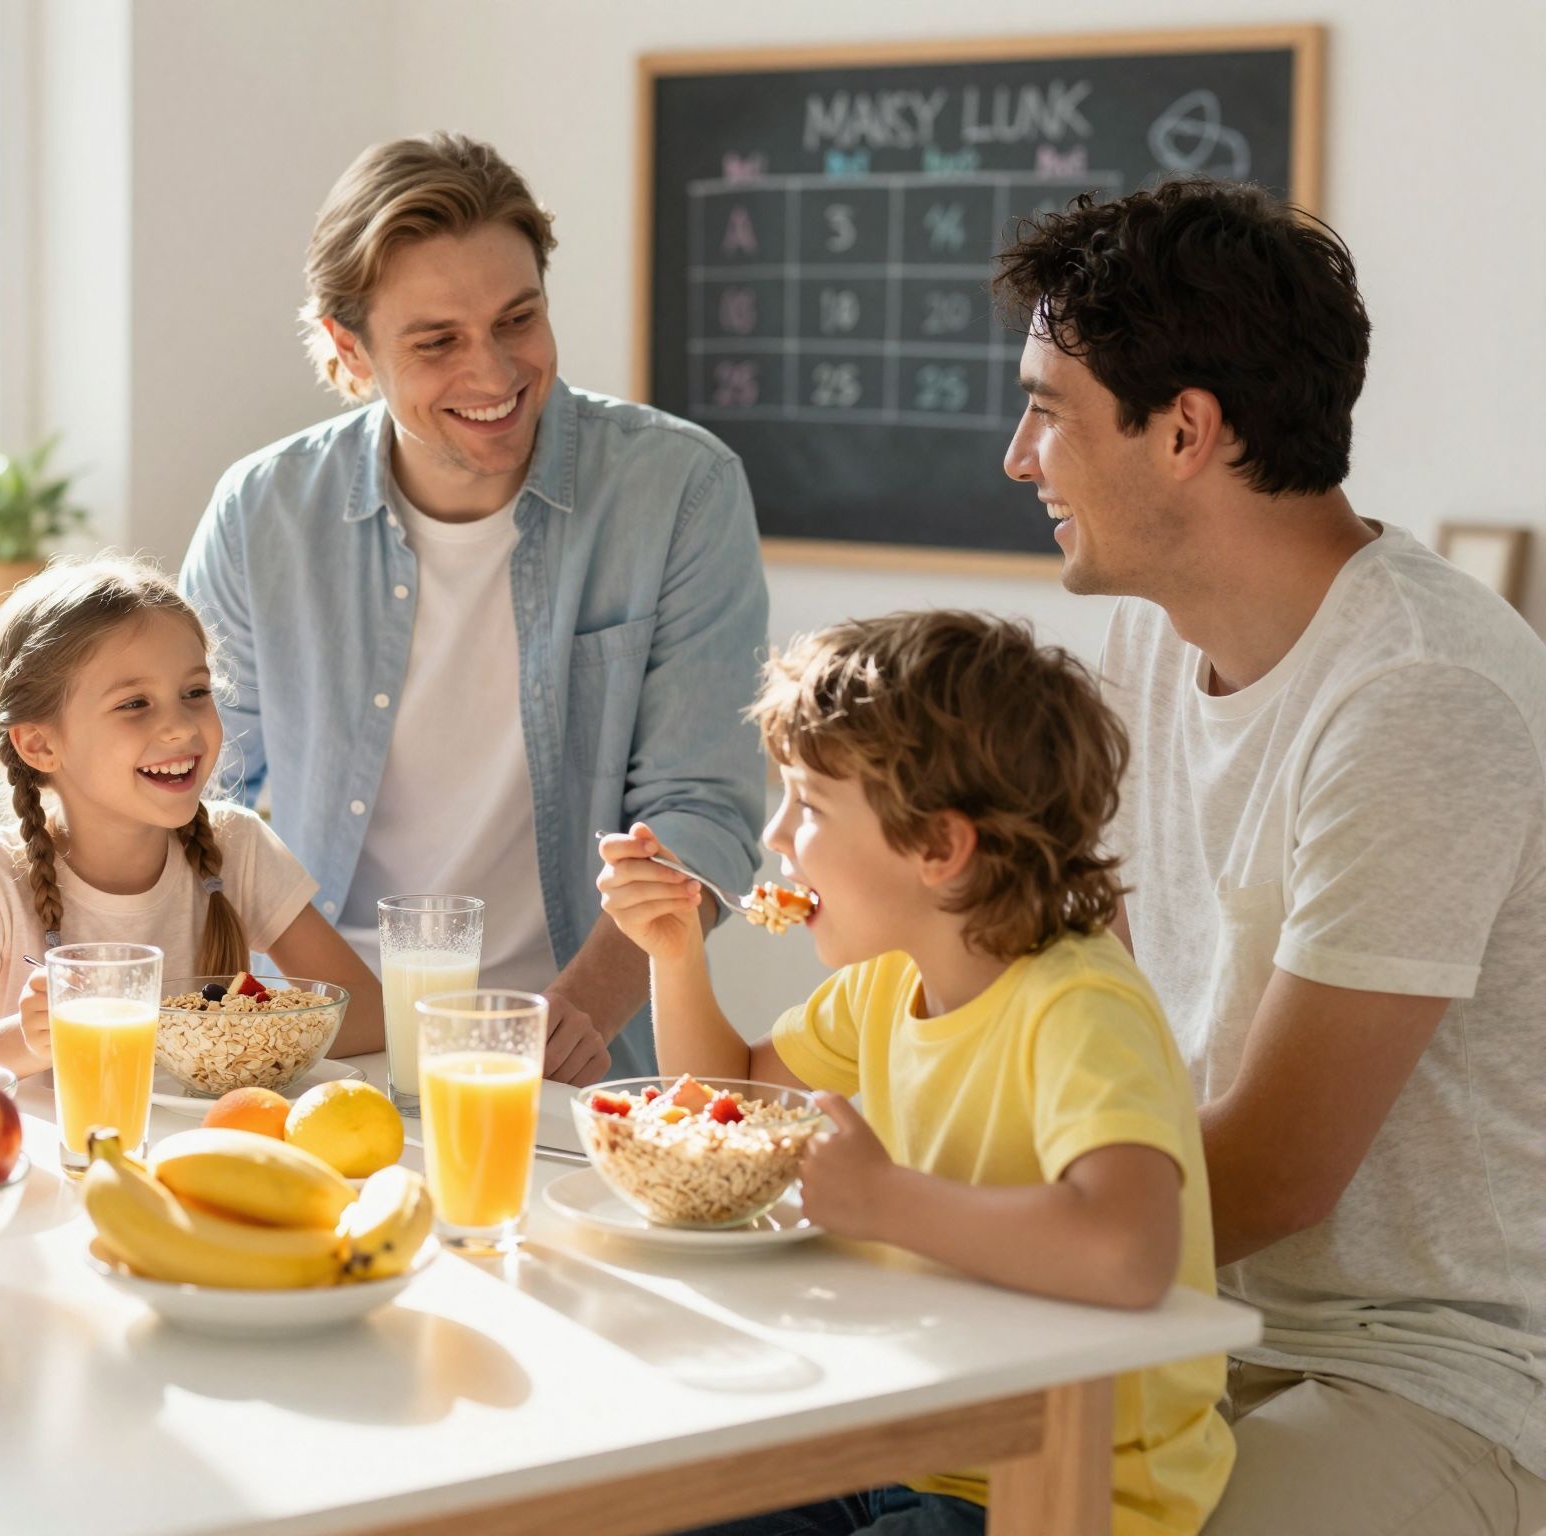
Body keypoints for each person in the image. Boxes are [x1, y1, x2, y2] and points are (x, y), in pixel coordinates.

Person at [998, 178, 1546, 1534]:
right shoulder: (1145, 636)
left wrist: (922, 1217)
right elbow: (1088, 1012)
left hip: (1434, 1373)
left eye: (1049, 412)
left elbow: (1280, 1169)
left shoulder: (1421, 693)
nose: (1020, 458)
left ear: (1185, 432)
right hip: (1194, 1319)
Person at [599, 611, 1232, 1536]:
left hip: (1063, 1480)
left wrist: (883, 1199)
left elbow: (1128, 1252)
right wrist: (674, 952)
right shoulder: (890, 980)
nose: (776, 833)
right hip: (908, 1439)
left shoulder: (1079, 1005)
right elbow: (728, 1097)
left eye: (809, 805)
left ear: (940, 847)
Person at [181, 131, 768, 1085]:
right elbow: (198, 809)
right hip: (315, 1046)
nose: (494, 374)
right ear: (349, 349)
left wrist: (578, 1013)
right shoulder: (262, 513)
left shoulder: (682, 492)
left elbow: (703, 814)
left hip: (574, 1052)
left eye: (517, 320)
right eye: (437, 342)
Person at [0, 555, 380, 1071]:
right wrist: (27, 1039)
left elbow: (369, 1012)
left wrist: (201, 1031)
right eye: (134, 704)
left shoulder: (238, 844)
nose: (180, 727)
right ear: (39, 743)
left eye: (195, 692)